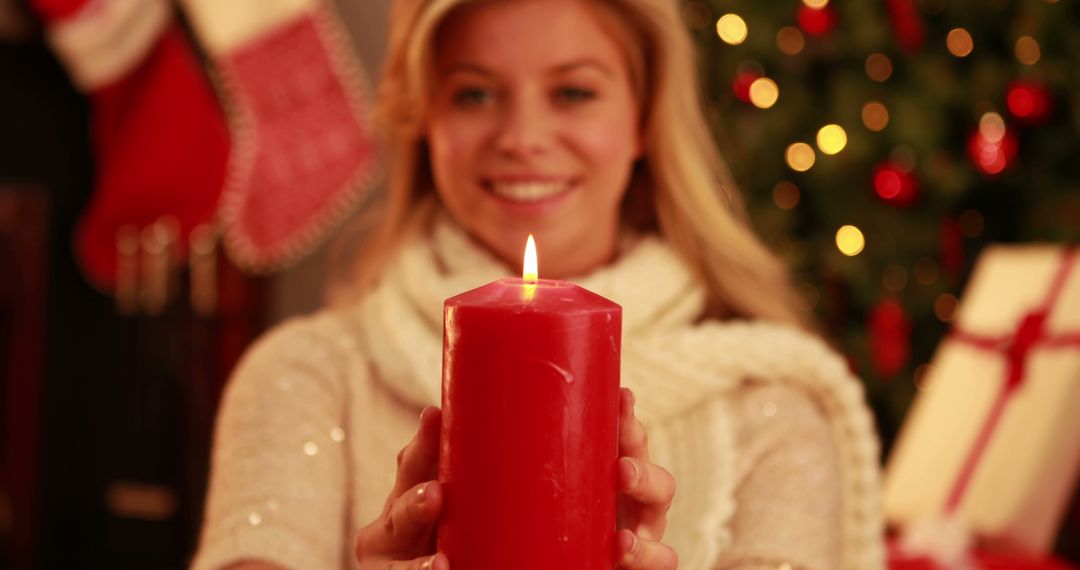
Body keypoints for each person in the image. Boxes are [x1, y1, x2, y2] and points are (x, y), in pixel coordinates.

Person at [191, 0, 886, 568]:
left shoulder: (771, 410)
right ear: (427, 120)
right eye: (475, 93)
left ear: (643, 120)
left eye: (574, 92)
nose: (522, 136)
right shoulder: (308, 376)